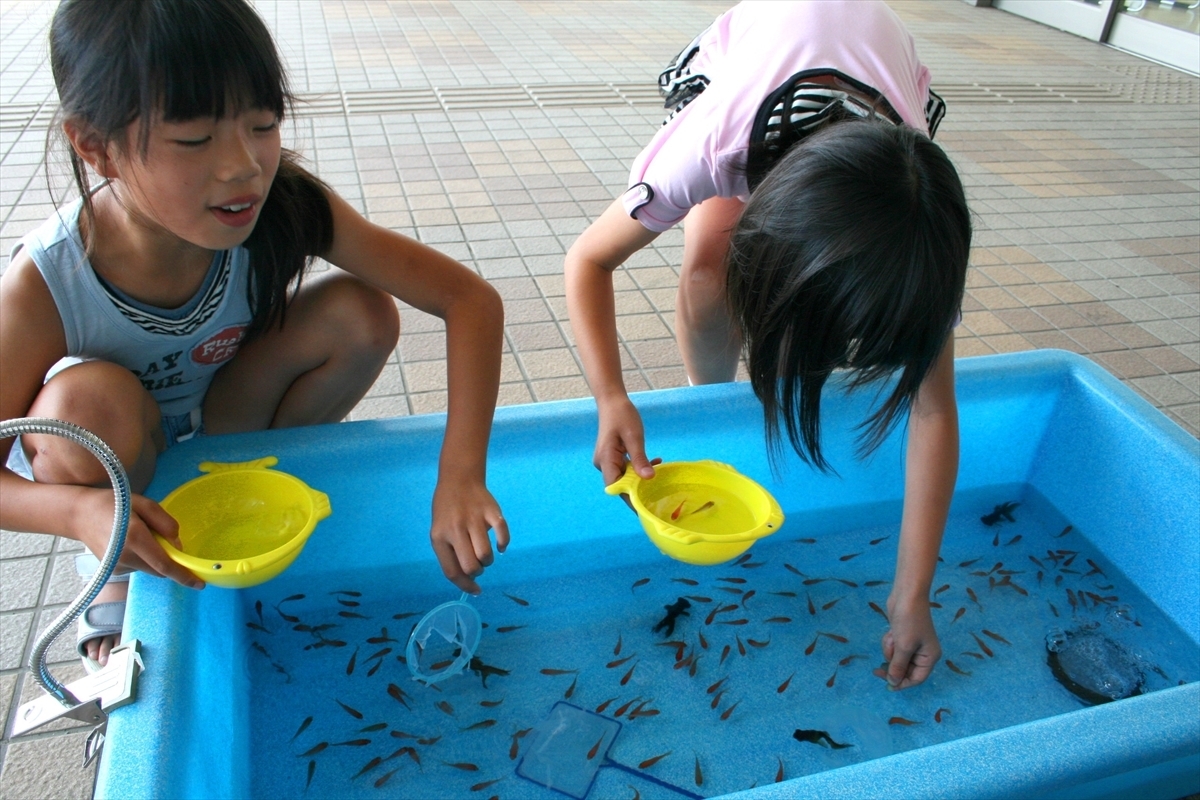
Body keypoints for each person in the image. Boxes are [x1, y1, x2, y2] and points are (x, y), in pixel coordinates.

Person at [0, 0, 508, 671]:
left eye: (262, 124)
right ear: (96, 148)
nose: (243, 166)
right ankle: (115, 562)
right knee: (84, 407)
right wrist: (74, 514)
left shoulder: (286, 204)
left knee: (362, 312)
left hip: (231, 415)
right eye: (193, 139)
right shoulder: (43, 284)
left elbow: (468, 299)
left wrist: (461, 477)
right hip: (124, 452)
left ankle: (257, 478)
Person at [564, 0, 970, 690]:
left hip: (873, 84)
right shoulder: (712, 145)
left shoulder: (919, 231)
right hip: (751, 66)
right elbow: (588, 260)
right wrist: (610, 396)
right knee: (705, 272)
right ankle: (713, 399)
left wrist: (912, 593)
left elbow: (934, 409)